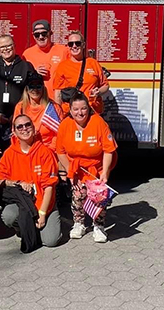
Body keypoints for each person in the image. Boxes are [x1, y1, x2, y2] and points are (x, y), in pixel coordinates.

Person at [55, 92, 117, 243]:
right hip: (77, 168)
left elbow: (109, 150)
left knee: (98, 198)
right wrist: (70, 170)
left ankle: (99, 226)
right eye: (75, 109)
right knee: (78, 196)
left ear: (88, 108)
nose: (80, 113)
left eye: (83, 108)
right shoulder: (65, 124)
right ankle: (79, 223)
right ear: (70, 110)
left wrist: (105, 172)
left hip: (97, 167)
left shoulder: (98, 122)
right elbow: (60, 151)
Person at [0, 114, 61, 249]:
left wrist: (42, 214)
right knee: (8, 216)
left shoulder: (45, 153)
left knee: (51, 241)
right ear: (14, 131)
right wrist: (18, 182)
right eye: (19, 126)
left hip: (44, 204)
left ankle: (39, 225)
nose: (24, 129)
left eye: (28, 125)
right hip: (23, 204)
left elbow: (49, 187)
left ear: (34, 128)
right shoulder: (9, 154)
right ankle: (24, 229)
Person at [0, 34, 38, 151]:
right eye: (2, 47)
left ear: (14, 46)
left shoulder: (26, 67)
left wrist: (18, 115)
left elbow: (34, 95)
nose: (6, 49)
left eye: (9, 45)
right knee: (1, 157)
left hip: (21, 123)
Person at [52, 31, 109, 114]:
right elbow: (57, 93)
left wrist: (98, 92)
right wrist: (59, 114)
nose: (74, 46)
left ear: (83, 45)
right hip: (72, 112)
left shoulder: (93, 63)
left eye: (77, 43)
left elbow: (105, 85)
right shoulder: (62, 66)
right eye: (71, 44)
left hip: (93, 110)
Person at [14, 74, 63, 151]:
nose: (35, 90)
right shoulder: (20, 107)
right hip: (27, 149)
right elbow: (15, 132)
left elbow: (59, 133)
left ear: (43, 88)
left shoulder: (53, 107)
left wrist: (49, 151)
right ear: (26, 89)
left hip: (49, 150)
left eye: (38, 86)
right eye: (31, 87)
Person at [22, 20, 69, 98]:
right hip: (36, 101)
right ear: (33, 36)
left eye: (44, 34)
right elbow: (21, 78)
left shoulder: (64, 51)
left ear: (50, 33)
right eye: (37, 35)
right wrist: (34, 73)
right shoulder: (27, 54)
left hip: (58, 100)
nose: (41, 37)